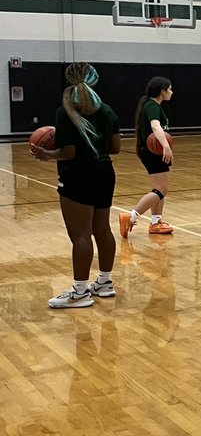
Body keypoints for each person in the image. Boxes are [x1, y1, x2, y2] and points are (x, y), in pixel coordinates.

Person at [32, 63, 123, 309]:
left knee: (80, 235)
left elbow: (69, 152)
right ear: (94, 80)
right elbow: (115, 148)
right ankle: (105, 283)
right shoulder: (106, 110)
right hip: (105, 173)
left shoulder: (66, 111)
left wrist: (45, 154)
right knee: (102, 230)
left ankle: (80, 292)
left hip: (78, 175)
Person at [120, 77, 175, 238]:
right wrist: (165, 146)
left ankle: (156, 222)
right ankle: (130, 217)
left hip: (151, 152)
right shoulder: (152, 106)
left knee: (160, 189)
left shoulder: (152, 105)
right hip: (153, 152)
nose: (172, 92)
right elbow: (155, 126)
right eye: (170, 89)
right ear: (162, 92)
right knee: (160, 190)